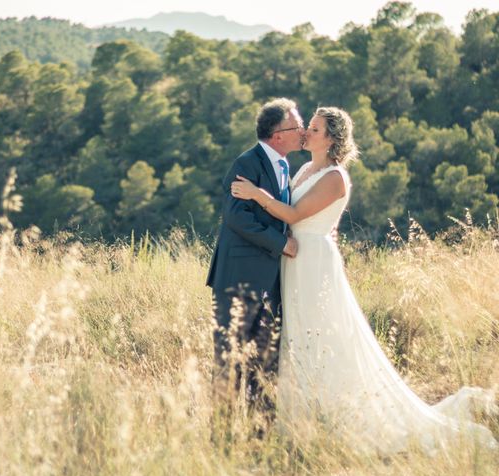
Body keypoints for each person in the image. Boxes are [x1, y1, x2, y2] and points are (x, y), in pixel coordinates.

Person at [230, 106, 498, 454]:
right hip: (295, 260)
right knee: (299, 336)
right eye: (307, 127)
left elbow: (295, 214)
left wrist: (255, 195)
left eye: (313, 129)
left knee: (323, 336)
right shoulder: (305, 170)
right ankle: (302, 421)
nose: (306, 133)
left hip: (314, 262)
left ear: (331, 139)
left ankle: (335, 419)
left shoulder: (335, 177)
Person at [206, 98, 303, 415]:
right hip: (238, 277)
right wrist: (281, 243)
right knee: (229, 356)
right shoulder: (246, 163)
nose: (302, 131)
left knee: (263, 359)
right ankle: (222, 432)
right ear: (278, 134)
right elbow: (237, 218)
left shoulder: (285, 165)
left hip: (270, 281)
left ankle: (259, 431)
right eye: (297, 126)